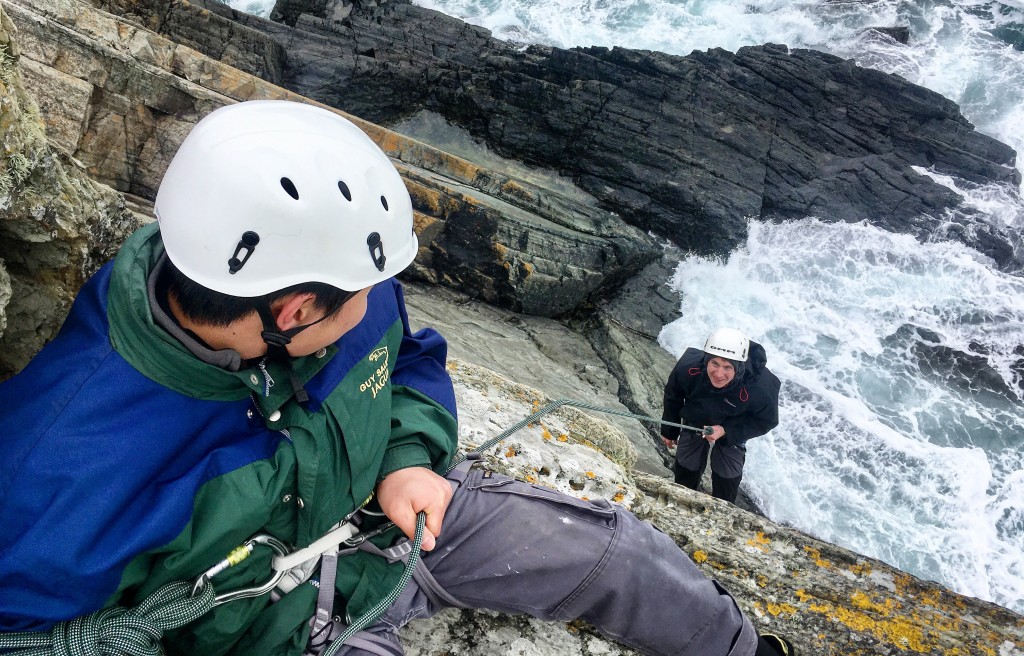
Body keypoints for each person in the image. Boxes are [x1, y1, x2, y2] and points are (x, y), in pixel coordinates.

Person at [0, 100, 795, 656]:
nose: (381, 300)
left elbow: (408, 356)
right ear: (294, 311)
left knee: (621, 558)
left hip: (396, 524)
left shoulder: (316, 288)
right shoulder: (55, 466)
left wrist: (410, 457)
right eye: (362, 295)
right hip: (272, 634)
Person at [661, 327, 781, 504]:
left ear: (738, 368)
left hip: (734, 422)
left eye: (727, 367)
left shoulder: (761, 388)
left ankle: (723, 509)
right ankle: (683, 501)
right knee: (688, 461)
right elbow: (673, 395)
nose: (718, 374)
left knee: (727, 471)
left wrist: (726, 431)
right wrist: (670, 430)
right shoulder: (688, 368)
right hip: (697, 416)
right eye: (714, 364)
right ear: (706, 360)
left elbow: (767, 420)